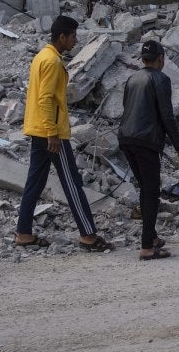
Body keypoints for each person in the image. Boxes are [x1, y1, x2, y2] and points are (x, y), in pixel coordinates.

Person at [18, 16, 117, 254]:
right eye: (73, 36)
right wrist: (53, 133)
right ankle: (88, 235)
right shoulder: (52, 61)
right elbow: (46, 99)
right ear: (61, 37)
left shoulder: (42, 56)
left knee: (35, 181)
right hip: (51, 133)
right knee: (72, 182)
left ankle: (23, 232)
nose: (75, 40)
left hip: (38, 129)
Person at [117, 38, 179, 259]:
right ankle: (147, 247)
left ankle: (152, 237)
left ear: (142, 59)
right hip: (146, 141)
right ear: (161, 58)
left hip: (126, 139)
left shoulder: (132, 78)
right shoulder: (161, 79)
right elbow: (167, 115)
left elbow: (126, 107)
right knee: (151, 192)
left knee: (145, 188)